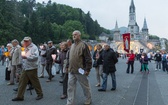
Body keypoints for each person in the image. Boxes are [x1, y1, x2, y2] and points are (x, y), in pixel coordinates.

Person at [12, 37, 43, 101]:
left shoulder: (34, 47)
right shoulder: (25, 47)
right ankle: (19, 96)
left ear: (30, 41)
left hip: (32, 67)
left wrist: (26, 57)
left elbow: (35, 57)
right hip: (25, 67)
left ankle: (40, 94)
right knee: (22, 82)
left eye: (26, 41)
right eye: (24, 41)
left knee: (35, 82)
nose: (25, 42)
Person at [66, 30, 92, 105]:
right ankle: (70, 102)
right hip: (71, 70)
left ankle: (88, 99)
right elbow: (69, 58)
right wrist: (67, 66)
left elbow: (88, 58)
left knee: (85, 86)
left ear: (79, 35)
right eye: (73, 35)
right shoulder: (72, 46)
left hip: (80, 70)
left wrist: (88, 69)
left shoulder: (84, 45)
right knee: (70, 87)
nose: (74, 36)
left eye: (75, 34)